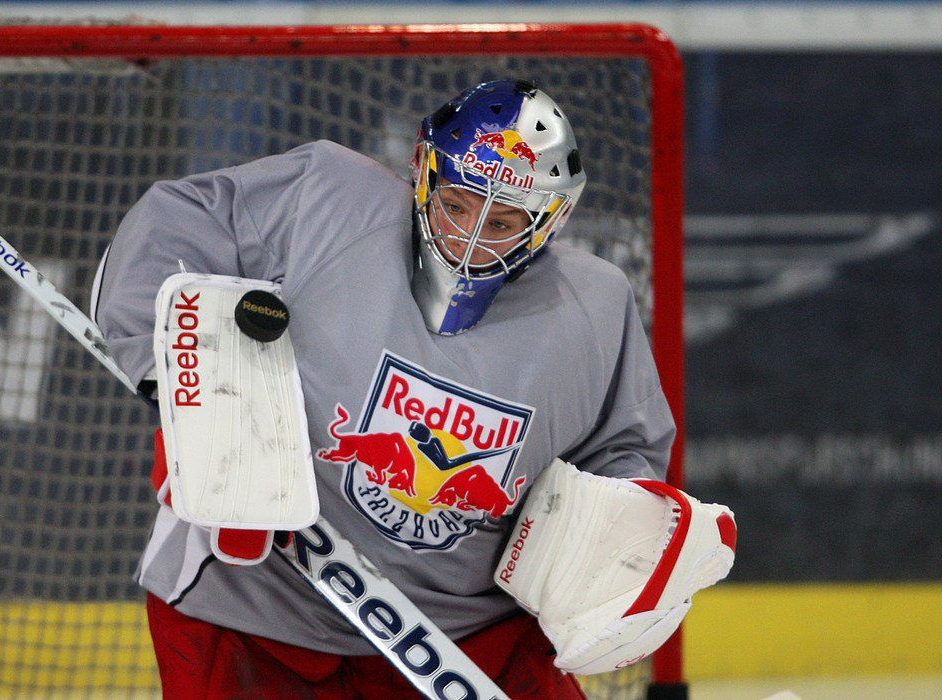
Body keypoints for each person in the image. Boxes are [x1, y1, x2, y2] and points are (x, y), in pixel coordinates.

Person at [94, 79, 676, 698]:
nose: (469, 238)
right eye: (457, 205)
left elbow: (621, 455)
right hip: (256, 607)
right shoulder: (327, 198)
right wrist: (180, 383)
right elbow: (173, 227)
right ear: (424, 173)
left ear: (548, 222)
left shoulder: (594, 309)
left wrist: (623, 535)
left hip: (465, 640)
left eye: (503, 221)